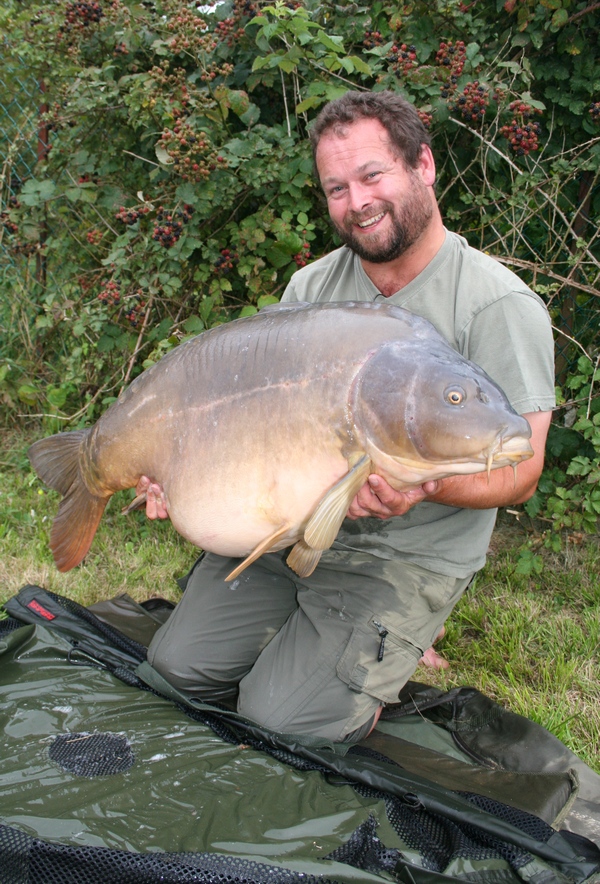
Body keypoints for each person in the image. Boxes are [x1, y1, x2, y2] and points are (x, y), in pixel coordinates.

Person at [141, 90, 555, 743]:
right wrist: (173, 465)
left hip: (402, 557)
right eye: (336, 188)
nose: (356, 201)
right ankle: (309, 637)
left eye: (371, 175)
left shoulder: (498, 305)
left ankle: (397, 643)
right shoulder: (311, 291)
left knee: (279, 724)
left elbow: (521, 467)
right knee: (175, 670)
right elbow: (248, 425)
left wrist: (420, 486)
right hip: (295, 532)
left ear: (423, 165)